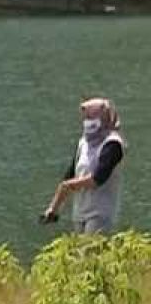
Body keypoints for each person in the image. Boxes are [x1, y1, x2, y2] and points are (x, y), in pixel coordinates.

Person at [41, 98, 126, 234]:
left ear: (103, 117)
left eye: (91, 117)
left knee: (91, 252)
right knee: (78, 253)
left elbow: (98, 178)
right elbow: (70, 175)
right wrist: (53, 209)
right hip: (80, 212)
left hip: (100, 213)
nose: (87, 121)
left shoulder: (112, 144)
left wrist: (68, 186)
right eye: (86, 117)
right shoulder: (83, 143)